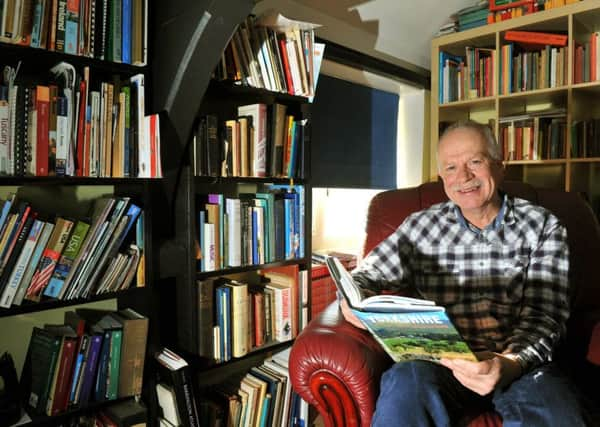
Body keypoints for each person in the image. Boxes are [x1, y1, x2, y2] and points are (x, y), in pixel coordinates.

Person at [341, 121, 588, 426]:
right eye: (451, 167)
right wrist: (354, 297)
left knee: (557, 412)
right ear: (441, 176)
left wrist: (509, 364)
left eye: (475, 162)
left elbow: (545, 314)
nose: (464, 177)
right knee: (406, 387)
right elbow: (367, 274)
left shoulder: (543, 226)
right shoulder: (419, 227)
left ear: (499, 166)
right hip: (439, 364)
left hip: (520, 365)